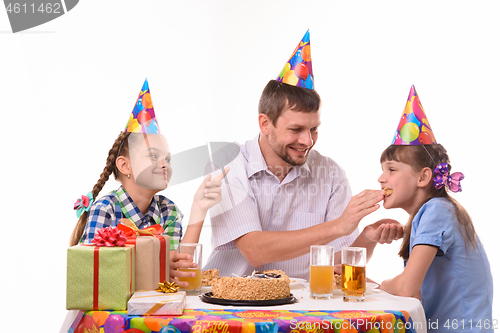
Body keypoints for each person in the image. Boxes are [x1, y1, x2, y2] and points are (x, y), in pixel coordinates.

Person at [204, 31, 403, 279]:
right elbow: (255, 250)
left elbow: (338, 267)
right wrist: (338, 225)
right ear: (265, 124)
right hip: (229, 305)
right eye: (296, 129)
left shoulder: (330, 173)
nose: (308, 141)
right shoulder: (228, 163)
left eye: (314, 129)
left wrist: (367, 238)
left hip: (300, 307)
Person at [70, 79, 229, 285]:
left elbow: (178, 271)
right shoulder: (105, 209)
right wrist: (155, 267)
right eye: (153, 156)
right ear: (124, 166)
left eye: (168, 159)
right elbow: (90, 273)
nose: (165, 164)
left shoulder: (168, 211)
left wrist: (199, 208)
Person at [378, 86, 493, 332]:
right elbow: (415, 295)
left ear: (423, 177)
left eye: (391, 169)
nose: (381, 178)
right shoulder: (432, 212)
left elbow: (408, 288)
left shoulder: (436, 211)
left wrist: (379, 286)